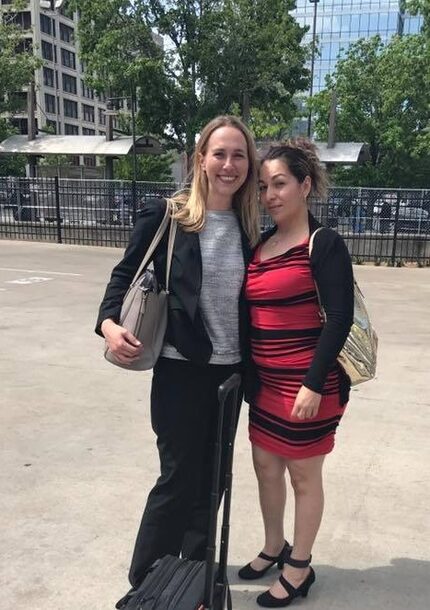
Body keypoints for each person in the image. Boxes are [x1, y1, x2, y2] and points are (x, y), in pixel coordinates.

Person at [95, 115, 261, 608]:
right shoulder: (168, 215)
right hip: (180, 370)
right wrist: (107, 324)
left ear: (248, 165)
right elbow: (122, 279)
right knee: (178, 476)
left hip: (232, 376)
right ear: (200, 160)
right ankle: (148, 577)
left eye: (239, 155)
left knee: (215, 479)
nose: (229, 164)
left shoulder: (253, 228)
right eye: (220, 154)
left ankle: (192, 574)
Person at [239, 139, 354, 608]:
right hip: (266, 387)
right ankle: (274, 546)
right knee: (266, 468)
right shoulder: (262, 243)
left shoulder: (322, 243)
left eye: (280, 184)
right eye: (264, 186)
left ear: (305, 185)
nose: (270, 194)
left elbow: (341, 317)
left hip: (309, 386)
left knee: (303, 477)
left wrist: (311, 381)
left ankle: (300, 566)